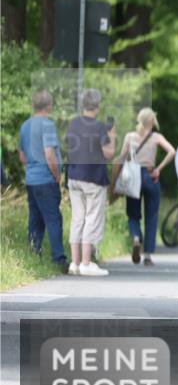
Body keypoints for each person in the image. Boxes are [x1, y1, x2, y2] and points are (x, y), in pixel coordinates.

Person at [115, 108, 176, 267]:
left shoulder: (130, 137)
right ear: (153, 121)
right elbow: (172, 151)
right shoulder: (156, 137)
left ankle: (136, 237)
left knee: (133, 214)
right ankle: (147, 255)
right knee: (151, 216)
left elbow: (122, 157)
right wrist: (159, 169)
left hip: (134, 176)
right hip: (151, 176)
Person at [66, 89, 117, 277]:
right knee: (92, 218)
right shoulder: (99, 127)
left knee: (77, 218)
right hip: (93, 178)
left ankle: (75, 263)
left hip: (74, 176)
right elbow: (109, 154)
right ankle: (87, 263)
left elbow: (70, 146)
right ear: (98, 106)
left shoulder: (73, 123)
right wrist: (112, 136)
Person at [18, 90, 68, 272]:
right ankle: (58, 259)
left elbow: (22, 157)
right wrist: (56, 174)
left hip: (31, 179)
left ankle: (33, 255)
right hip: (46, 179)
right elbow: (49, 154)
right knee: (54, 218)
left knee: (35, 219)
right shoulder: (48, 125)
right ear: (49, 106)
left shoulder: (25, 126)